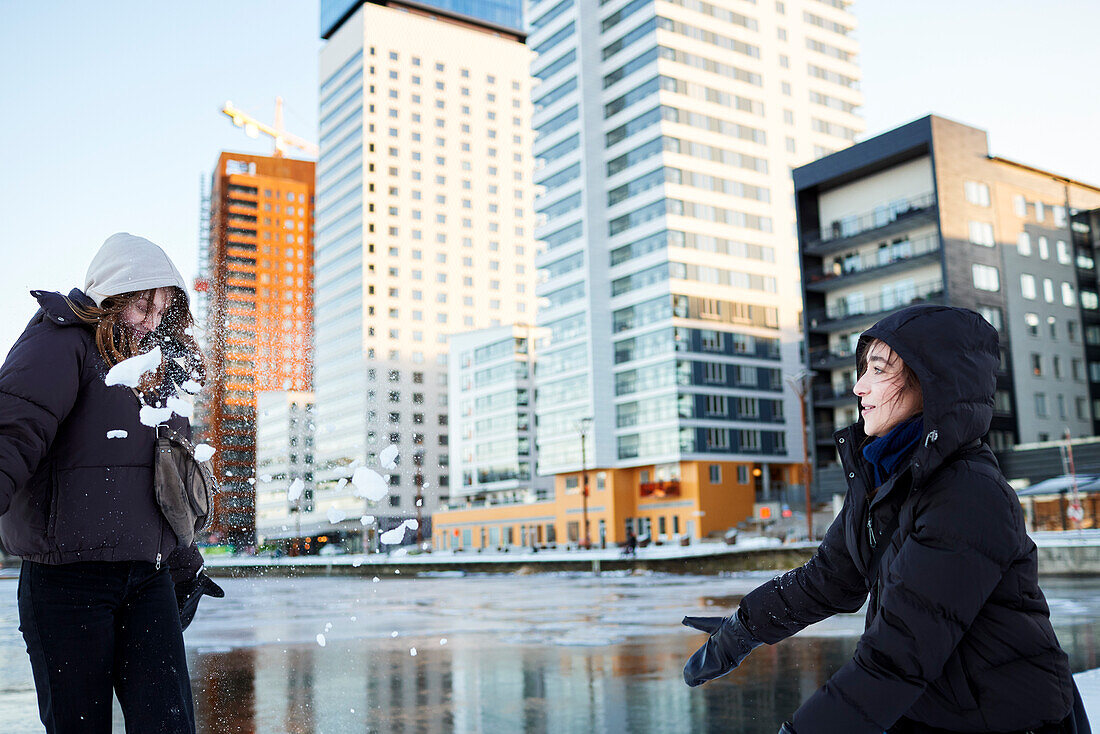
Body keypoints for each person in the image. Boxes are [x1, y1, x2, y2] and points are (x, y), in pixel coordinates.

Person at [682, 305, 1089, 734]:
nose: (859, 387)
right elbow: (829, 579)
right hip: (932, 712)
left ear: (931, 382)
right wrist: (742, 628)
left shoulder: (968, 496)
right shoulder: (890, 478)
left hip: (1009, 721)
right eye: (864, 370)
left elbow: (896, 657)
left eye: (878, 370)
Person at [0, 233, 224, 733]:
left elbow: (170, 481)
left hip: (148, 580)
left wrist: (184, 561)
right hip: (66, 583)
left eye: (161, 310)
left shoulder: (160, 369)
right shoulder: (59, 343)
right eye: (141, 307)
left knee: (168, 726)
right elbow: (13, 433)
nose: (150, 322)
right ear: (112, 295)